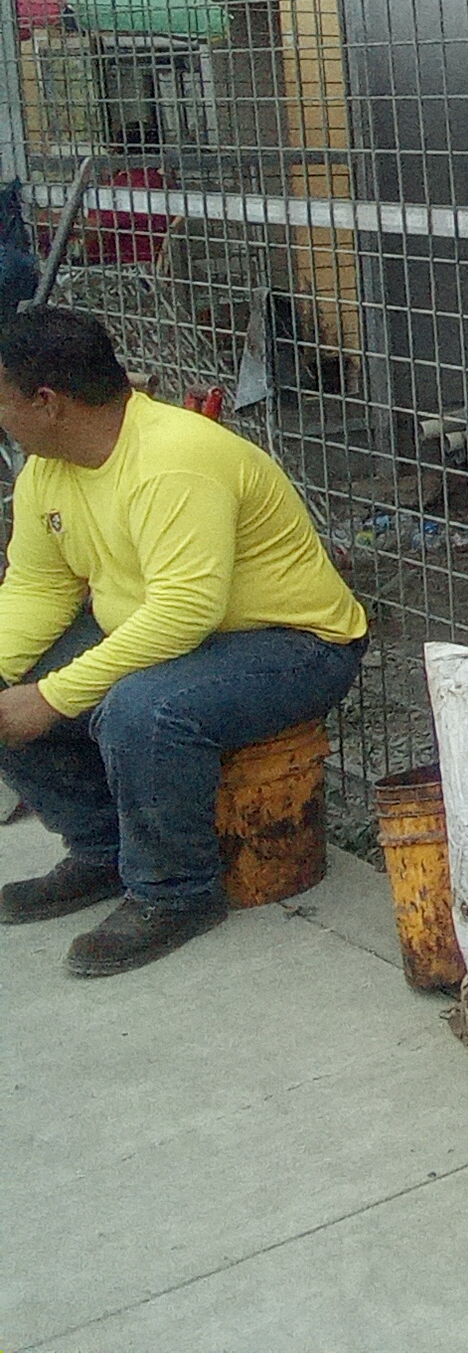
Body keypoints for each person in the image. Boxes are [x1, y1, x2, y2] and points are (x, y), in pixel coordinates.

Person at [0, 306, 367, 977]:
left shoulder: (175, 458)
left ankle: (175, 893)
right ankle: (102, 852)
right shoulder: (46, 470)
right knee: (17, 690)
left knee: (145, 710)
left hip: (294, 644)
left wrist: (49, 699)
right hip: (173, 633)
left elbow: (183, 612)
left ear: (46, 401)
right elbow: (37, 588)